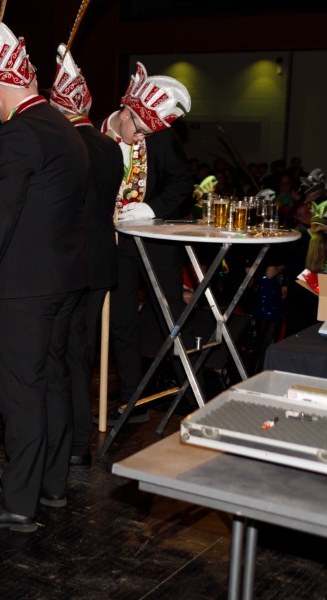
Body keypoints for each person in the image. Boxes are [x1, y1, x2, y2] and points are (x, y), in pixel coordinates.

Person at [0, 20, 88, 532]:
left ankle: (17, 504)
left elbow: (5, 210)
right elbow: (42, 207)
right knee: (53, 384)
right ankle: (50, 487)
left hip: (22, 289)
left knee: (20, 393)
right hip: (62, 281)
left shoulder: (16, 133)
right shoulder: (64, 127)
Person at [100, 63, 192, 426]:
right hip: (114, 243)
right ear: (124, 113)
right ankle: (132, 400)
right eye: (137, 130)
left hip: (156, 242)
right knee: (122, 322)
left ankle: (189, 394)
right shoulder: (92, 136)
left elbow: (182, 182)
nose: (141, 138)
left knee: (170, 317)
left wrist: (151, 208)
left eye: (146, 133)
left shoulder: (159, 135)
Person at [48, 46, 124, 469]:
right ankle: (77, 441)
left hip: (68, 260)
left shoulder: (63, 145)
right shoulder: (109, 147)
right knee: (83, 352)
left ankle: (71, 441)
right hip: (101, 260)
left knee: (62, 352)